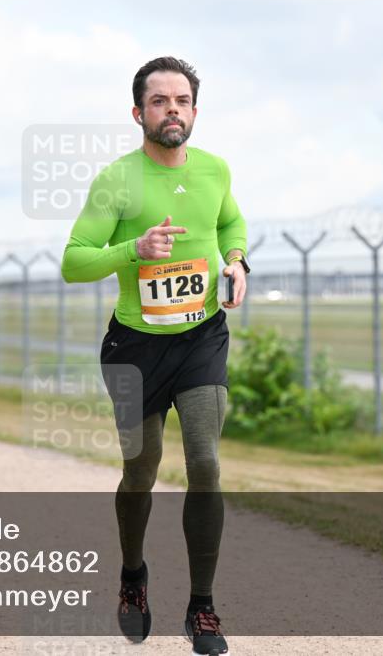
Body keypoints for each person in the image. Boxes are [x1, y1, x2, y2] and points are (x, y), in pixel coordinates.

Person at [61, 57, 249, 656]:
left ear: (195, 110)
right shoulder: (117, 180)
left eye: (183, 100)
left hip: (201, 338)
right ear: (138, 112)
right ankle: (134, 576)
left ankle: (203, 607)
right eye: (161, 101)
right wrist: (133, 249)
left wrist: (238, 260)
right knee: (142, 469)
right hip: (135, 347)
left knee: (206, 462)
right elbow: (74, 261)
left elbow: (230, 222)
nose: (174, 110)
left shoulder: (215, 170)